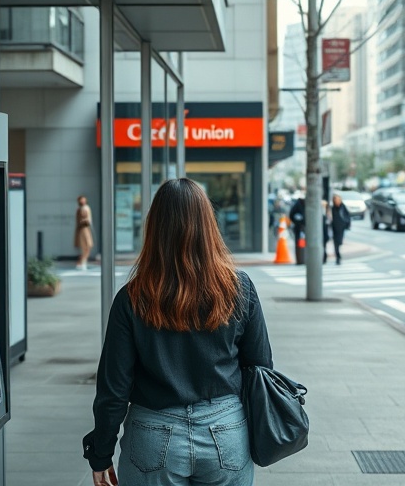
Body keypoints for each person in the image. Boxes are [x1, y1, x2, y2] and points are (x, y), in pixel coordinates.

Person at [83, 178, 273, 486]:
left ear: (155, 228)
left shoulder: (131, 297)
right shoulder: (239, 288)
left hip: (152, 434)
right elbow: (261, 367)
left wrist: (101, 453)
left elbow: (113, 389)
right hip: (225, 432)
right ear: (208, 225)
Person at [329, 194, 352, 265]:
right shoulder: (332, 208)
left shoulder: (343, 207)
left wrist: (347, 225)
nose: (337, 201)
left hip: (341, 227)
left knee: (339, 242)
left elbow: (347, 216)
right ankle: (338, 257)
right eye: (335, 200)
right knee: (336, 243)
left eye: (338, 200)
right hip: (334, 228)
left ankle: (338, 256)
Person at [74, 195, 93, 270]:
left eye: (84, 200)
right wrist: (85, 220)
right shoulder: (80, 209)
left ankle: (82, 262)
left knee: (88, 246)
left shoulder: (86, 207)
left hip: (86, 229)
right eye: (81, 200)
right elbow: (80, 221)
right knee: (85, 247)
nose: (83, 201)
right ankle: (82, 262)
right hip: (82, 229)